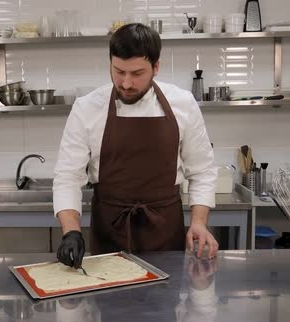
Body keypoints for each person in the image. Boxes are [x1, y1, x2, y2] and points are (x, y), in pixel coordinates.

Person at [53, 23, 218, 269]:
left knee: (163, 302)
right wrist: (71, 231)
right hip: (109, 230)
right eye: (119, 71)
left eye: (137, 73)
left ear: (156, 67)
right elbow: (68, 176)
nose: (126, 83)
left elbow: (202, 170)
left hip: (164, 229)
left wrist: (199, 222)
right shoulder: (87, 108)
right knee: (109, 303)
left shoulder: (183, 104)